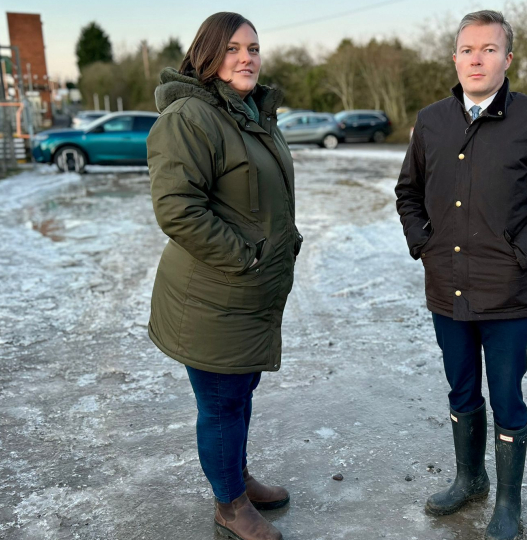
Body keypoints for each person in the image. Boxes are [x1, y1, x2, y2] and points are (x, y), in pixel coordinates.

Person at [395, 10, 527, 540]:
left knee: (506, 396)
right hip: (446, 288)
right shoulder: (431, 119)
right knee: (460, 389)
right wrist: (423, 244)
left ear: (507, 58)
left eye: (488, 49)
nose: (476, 59)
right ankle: (469, 478)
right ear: (454, 58)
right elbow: (407, 192)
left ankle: (507, 502)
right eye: (466, 50)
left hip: (507, 294)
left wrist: (521, 254)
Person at [146, 12, 302, 540]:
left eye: (254, 48)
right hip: (213, 295)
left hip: (248, 293)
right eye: (233, 48)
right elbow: (177, 209)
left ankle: (236, 477)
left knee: (240, 393)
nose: (246, 58)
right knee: (219, 404)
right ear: (207, 56)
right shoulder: (191, 116)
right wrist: (246, 256)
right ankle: (228, 504)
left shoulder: (250, 113)